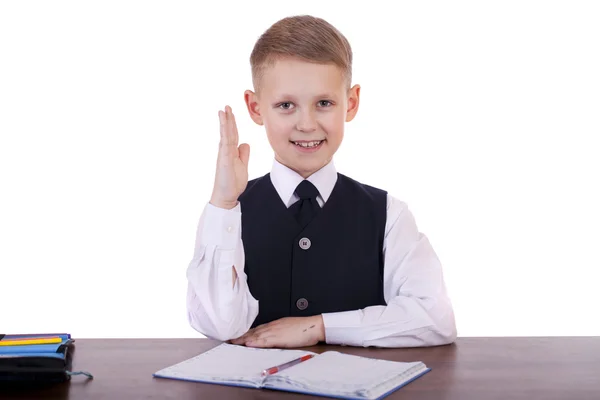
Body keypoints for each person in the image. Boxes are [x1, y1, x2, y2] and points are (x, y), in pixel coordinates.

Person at [186, 15, 457, 348]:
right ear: (256, 108)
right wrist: (224, 204)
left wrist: (320, 327)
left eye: (324, 103)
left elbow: (435, 318)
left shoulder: (389, 215)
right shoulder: (226, 215)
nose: (306, 124)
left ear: (351, 103)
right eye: (286, 105)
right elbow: (220, 325)